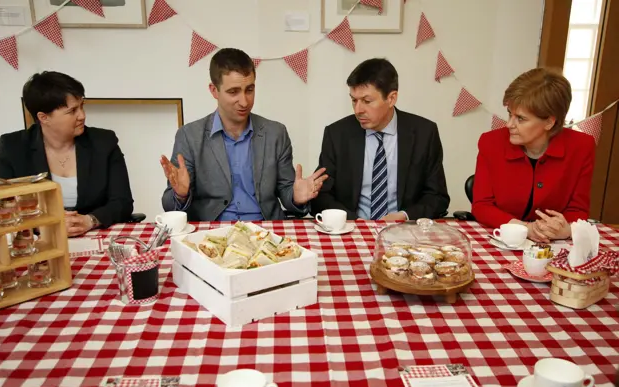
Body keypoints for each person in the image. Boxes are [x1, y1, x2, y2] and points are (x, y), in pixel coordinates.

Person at [160, 48, 327, 221]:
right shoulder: (189, 136)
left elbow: (286, 191)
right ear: (214, 90)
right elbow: (169, 205)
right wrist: (180, 196)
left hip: (265, 230)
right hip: (212, 233)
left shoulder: (276, 133)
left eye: (249, 90)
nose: (244, 101)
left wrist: (295, 197)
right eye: (233, 92)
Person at [0, 71, 134, 237]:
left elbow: (122, 202)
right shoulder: (13, 148)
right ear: (44, 117)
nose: (82, 115)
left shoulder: (104, 142)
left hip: (95, 236)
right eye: (72, 111)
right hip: (40, 241)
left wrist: (90, 220)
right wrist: (47, 225)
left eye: (82, 106)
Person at [311, 58, 449, 221]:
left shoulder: (424, 133)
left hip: (404, 232)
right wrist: (354, 220)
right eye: (354, 100)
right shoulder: (337, 134)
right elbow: (322, 196)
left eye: (367, 101)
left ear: (391, 98)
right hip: (353, 228)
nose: (358, 110)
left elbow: (437, 197)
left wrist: (404, 216)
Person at [471, 68, 595, 242]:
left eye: (520, 118)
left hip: (553, 243)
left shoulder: (582, 146)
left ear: (549, 122)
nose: (509, 124)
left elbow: (578, 210)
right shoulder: (490, 143)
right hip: (502, 238)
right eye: (510, 114)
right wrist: (524, 228)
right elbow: (482, 207)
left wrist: (565, 229)